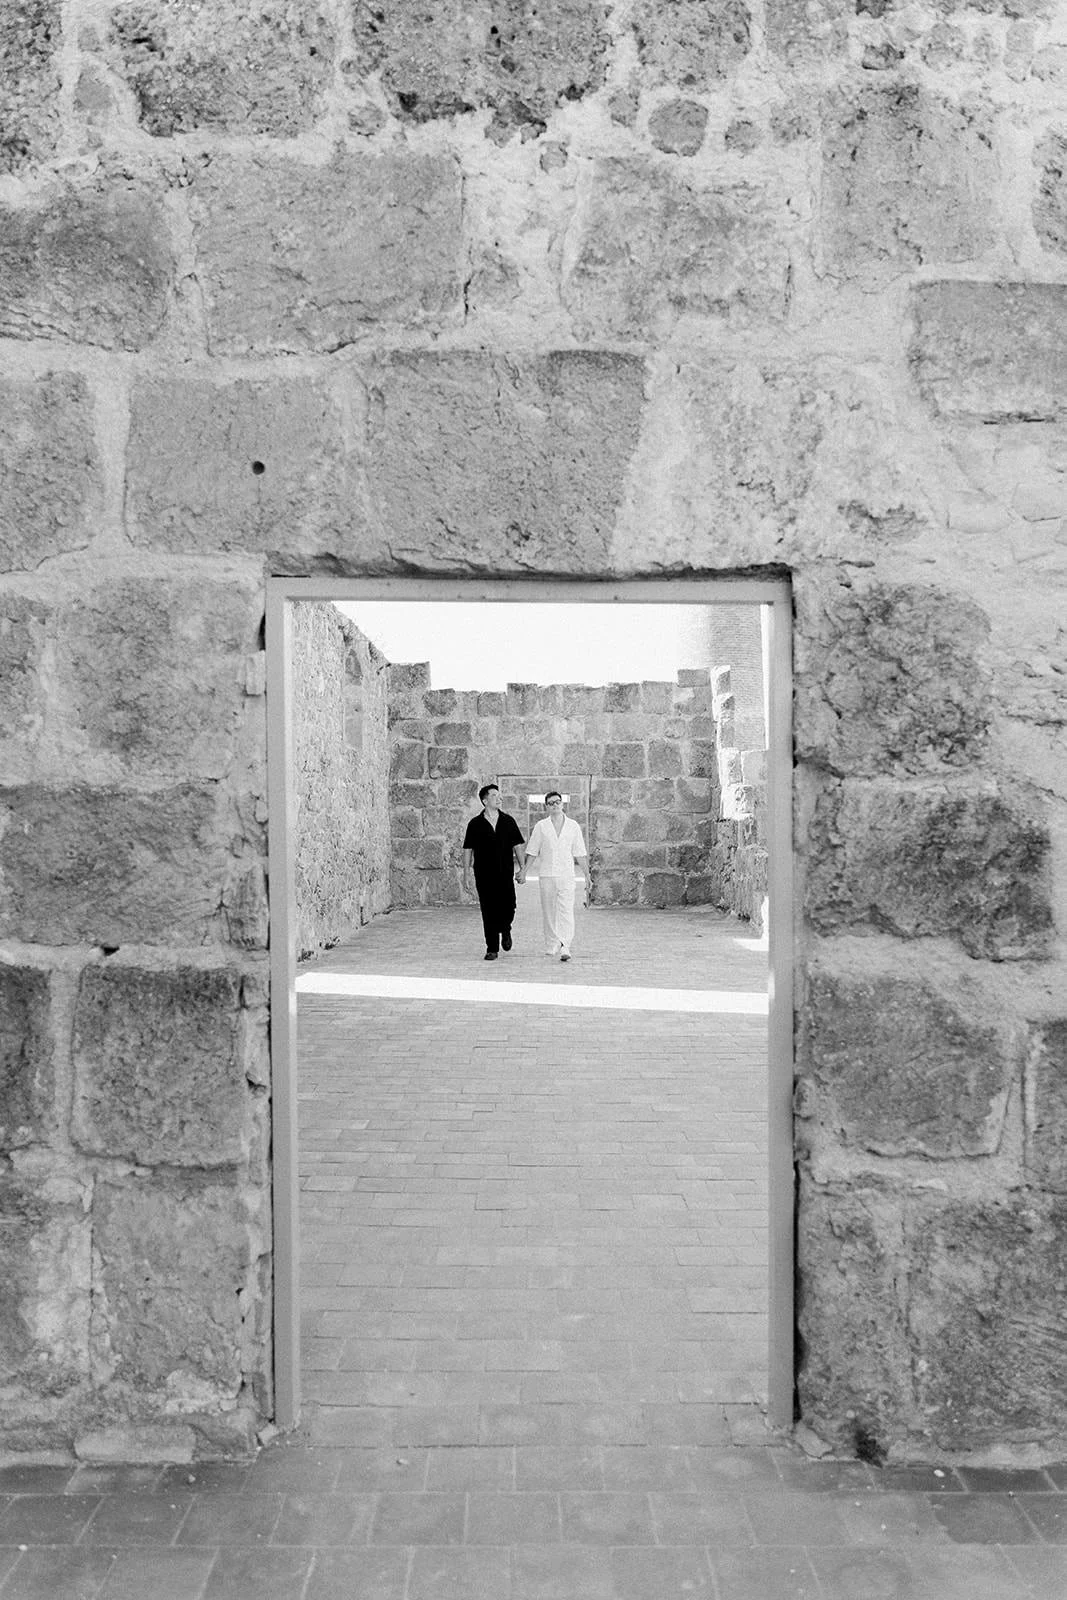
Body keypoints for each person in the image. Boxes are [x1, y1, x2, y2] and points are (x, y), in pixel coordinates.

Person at [519, 791, 588, 962]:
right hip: (547, 875)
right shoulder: (541, 826)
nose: (555, 805)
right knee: (549, 911)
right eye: (551, 803)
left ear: (562, 804)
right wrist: (524, 871)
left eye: (558, 802)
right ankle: (552, 942)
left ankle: (565, 944)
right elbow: (533, 851)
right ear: (546, 807)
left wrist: (587, 876)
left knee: (566, 910)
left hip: (567, 875)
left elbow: (580, 853)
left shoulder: (573, 826)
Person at [461, 783, 526, 961]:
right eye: (495, 795)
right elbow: (468, 849)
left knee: (509, 906)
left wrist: (523, 868)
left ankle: (505, 929)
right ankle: (492, 948)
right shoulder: (474, 824)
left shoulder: (508, 821)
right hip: (484, 874)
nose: (500, 798)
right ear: (484, 800)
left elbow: (518, 846)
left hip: (505, 874)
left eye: (500, 795)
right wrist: (466, 874)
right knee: (488, 910)